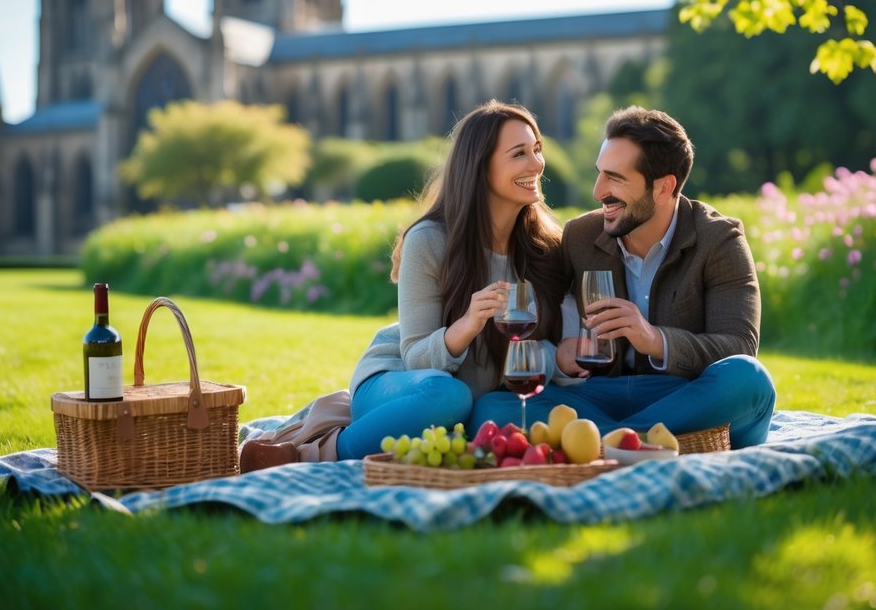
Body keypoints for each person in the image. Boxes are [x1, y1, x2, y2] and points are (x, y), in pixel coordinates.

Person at [240, 101, 568, 469]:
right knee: (449, 397)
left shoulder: (545, 249)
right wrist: (468, 325)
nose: (537, 163)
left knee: (488, 415)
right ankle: (310, 453)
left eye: (536, 149)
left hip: (483, 398)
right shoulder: (430, 241)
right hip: (401, 380)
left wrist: (562, 360)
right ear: (480, 166)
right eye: (519, 153)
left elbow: (544, 350)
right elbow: (414, 355)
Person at [469, 106, 776, 449]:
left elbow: (739, 345)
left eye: (615, 178)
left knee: (750, 381)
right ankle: (637, 443)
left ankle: (603, 442)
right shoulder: (580, 236)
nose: (598, 191)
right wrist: (560, 354)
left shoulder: (719, 241)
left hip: (683, 392)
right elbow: (539, 323)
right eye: (599, 173)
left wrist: (654, 339)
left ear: (663, 187)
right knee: (492, 407)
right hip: (598, 397)